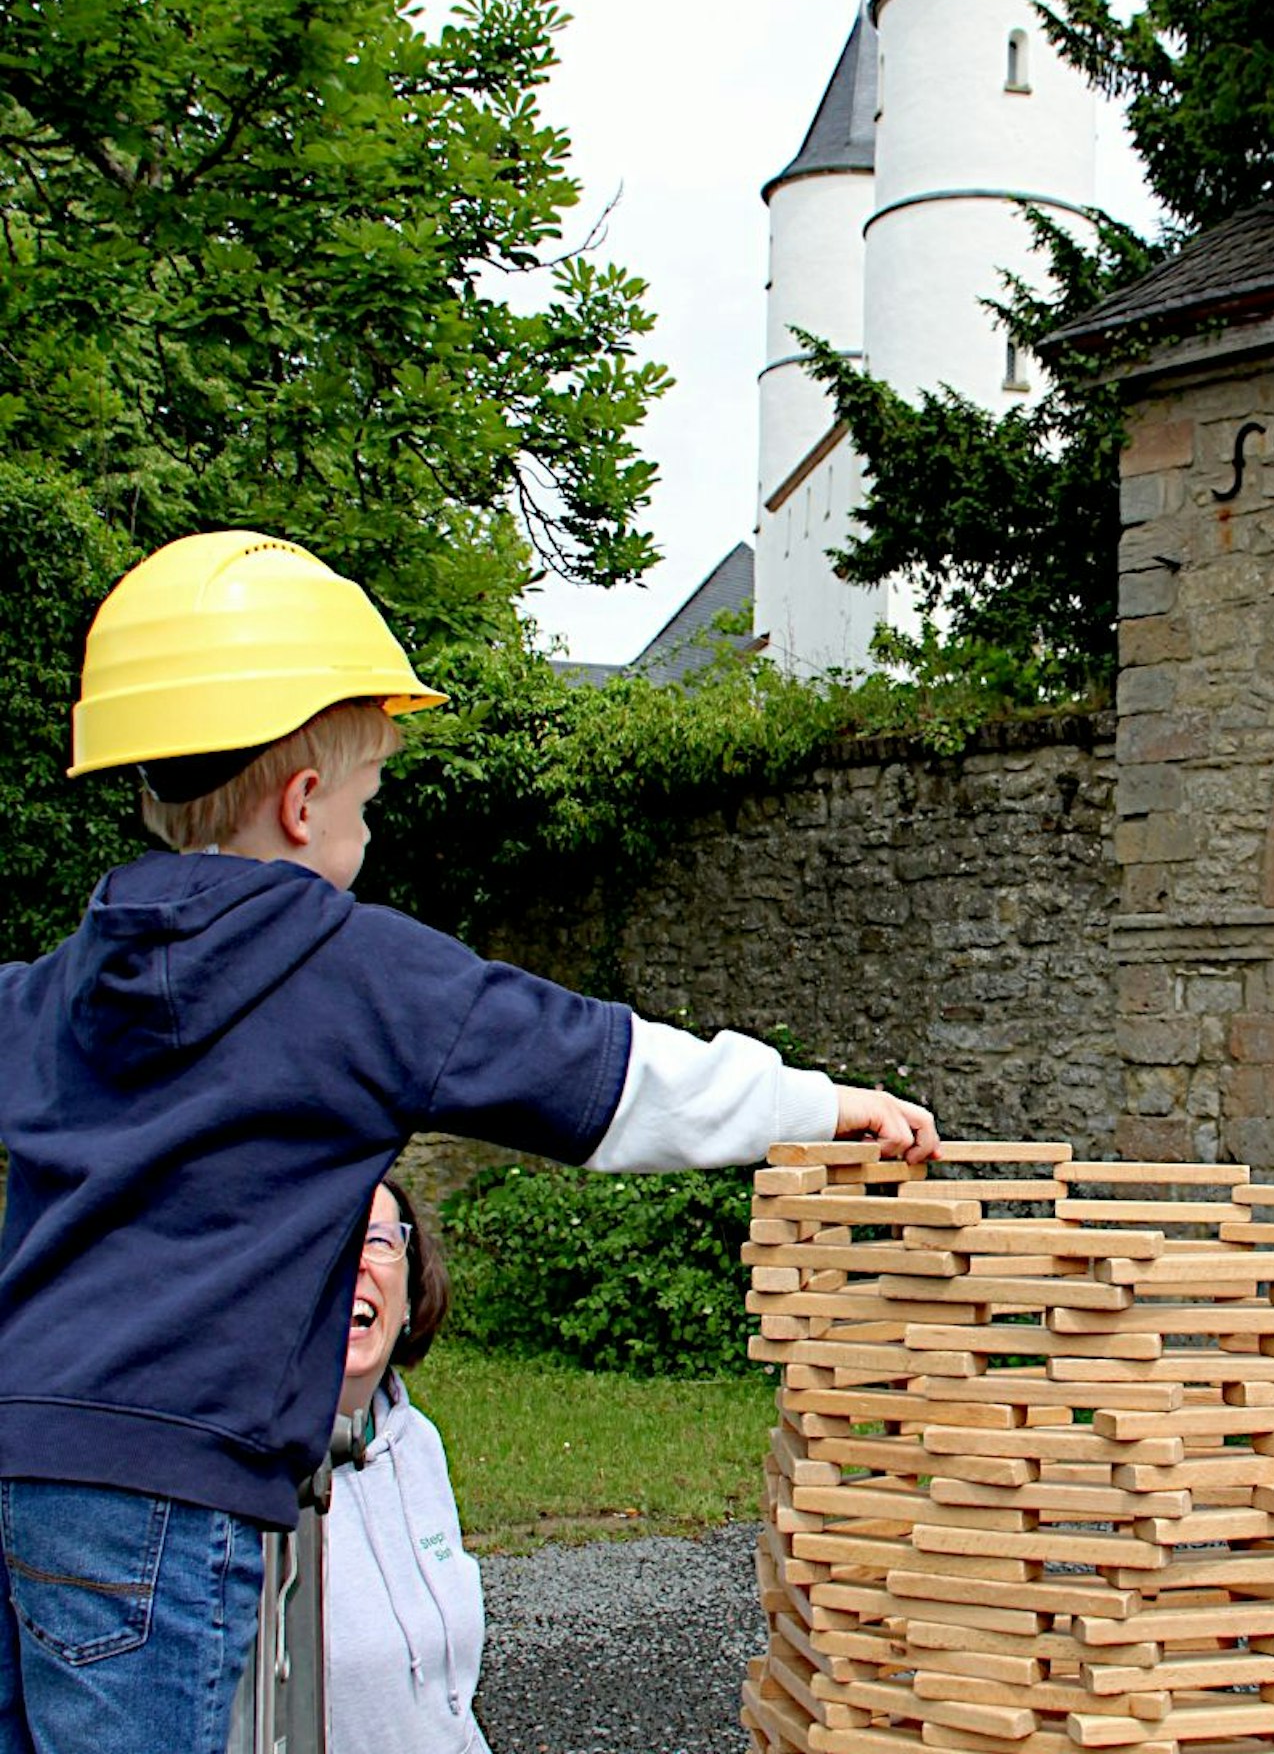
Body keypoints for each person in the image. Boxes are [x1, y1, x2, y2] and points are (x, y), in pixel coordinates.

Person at [0, 530, 939, 1754]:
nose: (369, 835)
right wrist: (816, 1106)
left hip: (24, 1450)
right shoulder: (346, 966)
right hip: (172, 1488)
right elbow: (602, 1072)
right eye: (368, 802)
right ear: (301, 804)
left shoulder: (71, 975)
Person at [326, 1179, 487, 1754]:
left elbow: (448, 1712)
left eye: (375, 1240)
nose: (355, 1264)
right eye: (330, 1240)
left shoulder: (417, 1444)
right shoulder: (245, 1480)